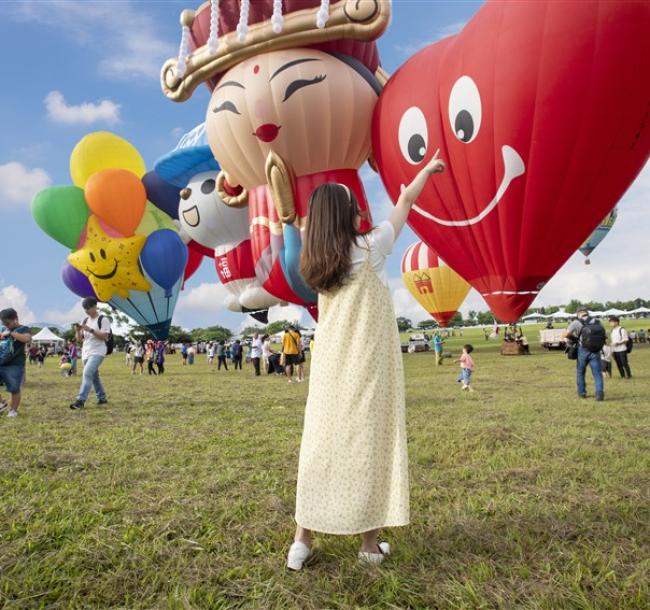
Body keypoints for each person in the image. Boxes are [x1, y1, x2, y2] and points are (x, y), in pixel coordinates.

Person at [287, 151, 445, 570]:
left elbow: (303, 222)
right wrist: (426, 171)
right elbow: (405, 203)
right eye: (351, 201)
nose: (359, 206)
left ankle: (301, 541)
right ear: (344, 214)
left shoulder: (315, 259)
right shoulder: (371, 247)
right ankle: (368, 546)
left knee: (319, 444)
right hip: (369, 365)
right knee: (369, 443)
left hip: (328, 369)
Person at [70, 297, 111, 409]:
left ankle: (80, 400)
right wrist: (78, 331)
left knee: (87, 373)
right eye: (85, 309)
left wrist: (91, 330)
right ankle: (102, 398)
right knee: (94, 377)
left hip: (98, 351)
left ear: (95, 306)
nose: (87, 311)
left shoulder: (103, 319)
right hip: (86, 352)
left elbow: (105, 336)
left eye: (88, 308)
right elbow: (79, 340)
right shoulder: (85, 320)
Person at [565, 307, 606, 401]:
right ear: (587, 313)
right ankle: (599, 393)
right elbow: (603, 335)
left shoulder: (576, 322)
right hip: (596, 350)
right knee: (597, 374)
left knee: (580, 372)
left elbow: (565, 334)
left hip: (583, 350)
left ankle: (582, 392)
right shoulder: (597, 322)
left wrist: (575, 339)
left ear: (578, 313)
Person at [0, 308, 32, 417]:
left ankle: (13, 410)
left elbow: (27, 339)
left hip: (15, 364)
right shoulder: (4, 329)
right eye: (4, 323)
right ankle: (1, 404)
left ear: (15, 319)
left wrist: (12, 334)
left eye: (7, 323)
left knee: (14, 388)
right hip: (1, 362)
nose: (6, 326)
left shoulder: (23, 328)